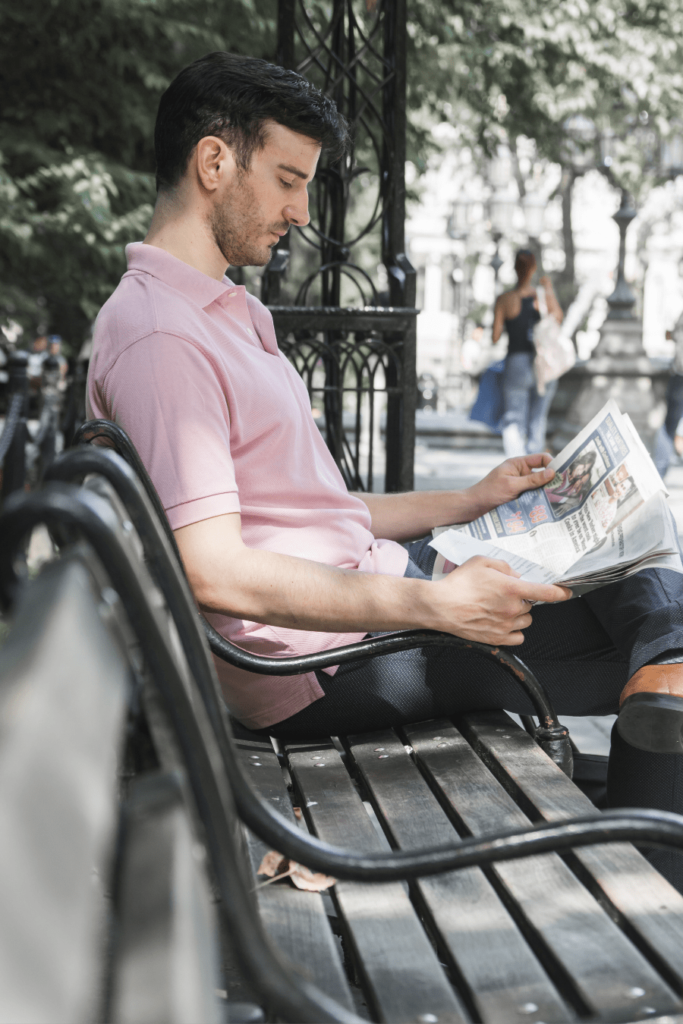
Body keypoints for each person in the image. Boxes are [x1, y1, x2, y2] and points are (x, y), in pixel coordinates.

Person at [88, 51, 683, 890]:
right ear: (213, 162)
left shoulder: (221, 311)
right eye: (288, 180)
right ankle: (649, 890)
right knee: (658, 628)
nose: (301, 211)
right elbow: (209, 567)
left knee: (640, 576)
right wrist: (434, 603)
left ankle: (652, 774)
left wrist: (470, 499)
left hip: (364, 619)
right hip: (326, 667)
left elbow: (306, 509)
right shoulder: (162, 336)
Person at [492, 251, 563, 458]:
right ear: (533, 269)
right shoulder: (540, 297)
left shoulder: (504, 299)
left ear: (514, 268)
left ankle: (516, 466)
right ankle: (533, 466)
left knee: (514, 419)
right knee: (538, 418)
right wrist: (548, 290)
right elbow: (557, 318)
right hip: (543, 364)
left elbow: (495, 336)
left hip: (516, 361)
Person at [653, 312, 683, 479]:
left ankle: (659, 473)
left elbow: (674, 335)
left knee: (669, 429)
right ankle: (658, 473)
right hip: (679, 378)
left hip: (678, 376)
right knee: (669, 429)